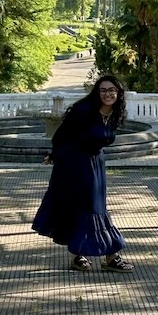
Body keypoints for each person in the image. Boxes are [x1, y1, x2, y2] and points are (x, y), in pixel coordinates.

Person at [32, 74, 132, 271]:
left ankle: (86, 256)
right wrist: (55, 155)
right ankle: (104, 256)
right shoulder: (84, 110)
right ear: (97, 92)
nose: (108, 94)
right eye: (103, 90)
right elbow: (62, 134)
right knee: (87, 207)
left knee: (93, 206)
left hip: (95, 163)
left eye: (112, 90)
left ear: (118, 93)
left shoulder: (114, 114)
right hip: (75, 163)